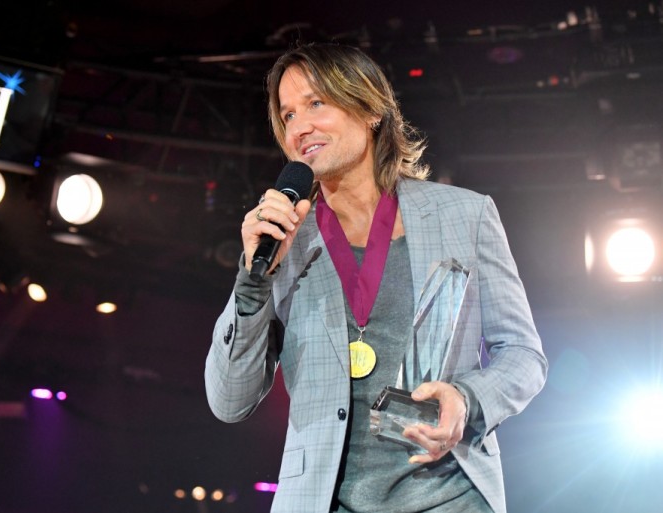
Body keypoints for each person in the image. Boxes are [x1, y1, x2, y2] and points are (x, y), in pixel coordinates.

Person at [205, 42, 547, 513]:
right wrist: (253, 279)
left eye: (315, 104)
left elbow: (524, 356)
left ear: (369, 109)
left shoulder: (466, 216)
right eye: (287, 116)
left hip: (451, 497)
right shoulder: (283, 240)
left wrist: (466, 400)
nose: (300, 127)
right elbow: (228, 401)